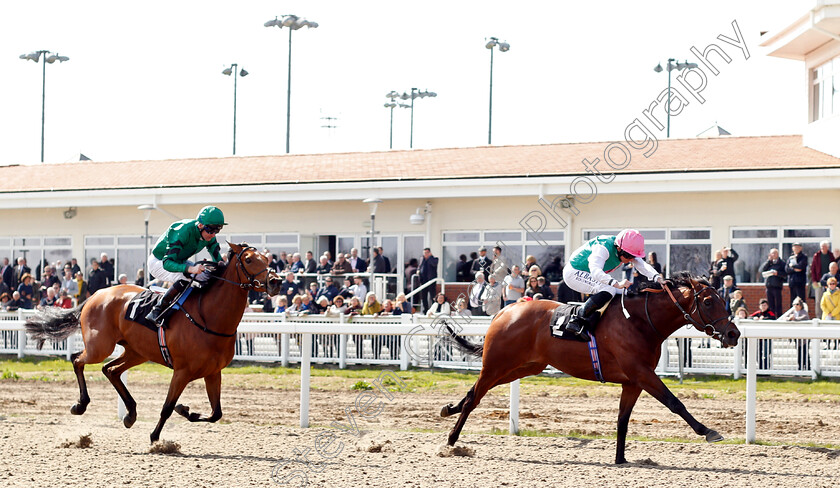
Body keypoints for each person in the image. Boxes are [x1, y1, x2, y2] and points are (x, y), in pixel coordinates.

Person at [563, 229, 665, 340]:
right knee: (609, 289)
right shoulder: (603, 248)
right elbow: (596, 271)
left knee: (625, 292)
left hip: (589, 273)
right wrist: (617, 283)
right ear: (619, 248)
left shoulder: (625, 248)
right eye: (628, 256)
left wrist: (658, 279)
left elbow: (642, 266)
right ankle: (577, 320)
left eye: (633, 257)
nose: (630, 260)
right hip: (574, 272)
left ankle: (598, 322)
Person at [144, 205, 226, 324]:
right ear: (200, 226)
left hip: (179, 261)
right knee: (182, 277)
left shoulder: (209, 235)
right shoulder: (182, 231)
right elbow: (167, 263)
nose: (213, 234)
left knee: (206, 276)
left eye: (217, 230)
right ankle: (156, 311)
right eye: (211, 230)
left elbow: (218, 259)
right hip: (159, 261)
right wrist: (190, 269)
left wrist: (222, 267)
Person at [760, 248, 787, 318]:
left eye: (774, 253)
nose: (773, 255)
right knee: (770, 304)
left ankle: (779, 317)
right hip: (769, 286)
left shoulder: (782, 263)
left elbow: (785, 274)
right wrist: (768, 261)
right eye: (772, 253)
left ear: (777, 254)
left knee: (778, 304)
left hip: (777, 286)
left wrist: (777, 273)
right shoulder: (769, 263)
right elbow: (762, 269)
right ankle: (771, 317)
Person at [812, 240, 833, 318]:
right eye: (821, 247)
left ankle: (828, 317)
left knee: (829, 300)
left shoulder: (831, 256)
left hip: (829, 282)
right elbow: (813, 269)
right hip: (818, 282)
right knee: (818, 300)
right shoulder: (816, 256)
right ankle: (818, 317)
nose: (822, 248)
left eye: (824, 247)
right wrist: (814, 280)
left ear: (827, 247)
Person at [417, 248, 438, 313]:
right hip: (423, 280)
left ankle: (433, 310)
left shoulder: (434, 259)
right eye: (424, 253)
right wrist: (418, 270)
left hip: (431, 281)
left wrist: (430, 257)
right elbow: (420, 266)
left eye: (426, 253)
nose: (425, 254)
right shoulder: (421, 259)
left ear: (429, 253)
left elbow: (434, 264)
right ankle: (425, 310)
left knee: (432, 296)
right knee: (423, 297)